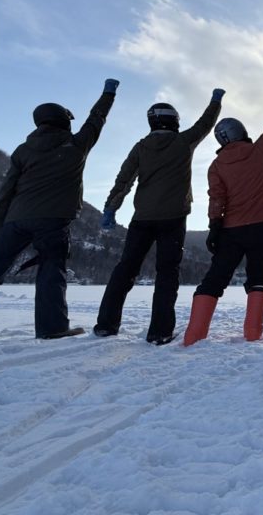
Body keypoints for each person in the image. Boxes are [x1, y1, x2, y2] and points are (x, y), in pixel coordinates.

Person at [0, 79, 120, 340]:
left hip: (15, 220)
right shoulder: (75, 145)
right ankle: (53, 328)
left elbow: (6, 192)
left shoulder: (23, 151)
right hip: (53, 220)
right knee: (51, 270)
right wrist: (108, 93)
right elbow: (97, 118)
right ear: (64, 121)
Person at [93, 88, 224, 345]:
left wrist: (111, 207)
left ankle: (106, 325)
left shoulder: (141, 147)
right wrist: (216, 101)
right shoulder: (183, 141)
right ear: (174, 121)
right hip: (173, 218)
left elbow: (124, 180)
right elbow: (205, 124)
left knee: (125, 269)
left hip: (142, 218)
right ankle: (160, 331)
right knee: (167, 273)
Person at [182, 106, 263, 346]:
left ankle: (194, 334)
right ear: (240, 132)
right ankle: (253, 333)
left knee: (215, 278)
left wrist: (214, 227)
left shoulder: (216, 165)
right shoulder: (257, 151)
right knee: (259, 277)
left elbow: (216, 198)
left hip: (230, 230)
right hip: (261, 227)